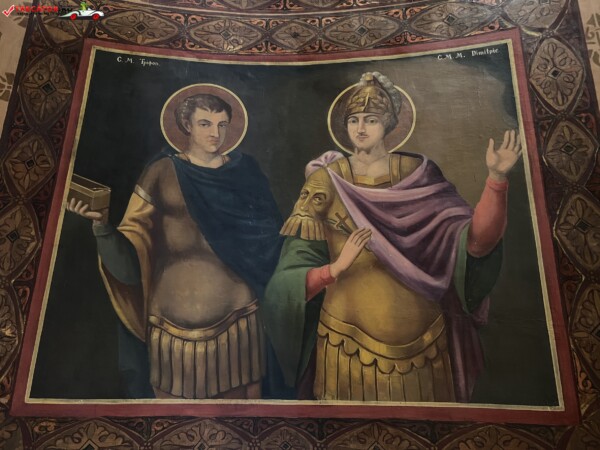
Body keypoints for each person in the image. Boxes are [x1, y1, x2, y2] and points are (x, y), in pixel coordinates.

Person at [262, 72, 521, 402]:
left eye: (371, 119)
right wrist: (334, 269)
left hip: (425, 348)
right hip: (344, 346)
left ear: (389, 124)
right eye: (353, 120)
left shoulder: (420, 177)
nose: (360, 128)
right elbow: (287, 279)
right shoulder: (324, 182)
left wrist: (496, 180)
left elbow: (475, 244)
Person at [68, 90, 283, 399]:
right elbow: (134, 240)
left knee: (241, 411)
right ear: (186, 125)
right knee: (171, 415)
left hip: (239, 317)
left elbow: (268, 237)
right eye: (205, 124)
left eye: (222, 125)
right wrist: (101, 226)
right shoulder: (160, 172)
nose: (215, 133)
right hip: (170, 327)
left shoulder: (245, 171)